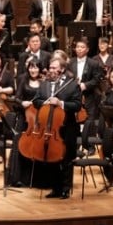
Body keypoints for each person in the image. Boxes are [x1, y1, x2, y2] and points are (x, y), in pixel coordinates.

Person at [32, 57, 81, 198]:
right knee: (51, 157)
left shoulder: (72, 85)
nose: (51, 70)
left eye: (54, 68)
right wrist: (45, 102)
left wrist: (61, 103)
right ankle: (55, 188)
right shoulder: (44, 84)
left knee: (66, 158)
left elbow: (77, 105)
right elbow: (36, 101)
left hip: (66, 127)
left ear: (62, 69)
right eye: (50, 68)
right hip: (48, 128)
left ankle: (66, 188)